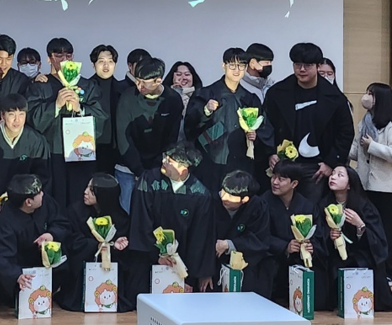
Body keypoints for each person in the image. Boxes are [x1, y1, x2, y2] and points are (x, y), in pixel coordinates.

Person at [123, 143, 215, 307]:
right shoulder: (148, 181)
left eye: (170, 161)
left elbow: (200, 238)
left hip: (181, 263)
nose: (163, 161)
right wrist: (156, 255)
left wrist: (190, 277)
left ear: (184, 169)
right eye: (165, 157)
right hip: (147, 257)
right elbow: (141, 222)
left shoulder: (200, 194)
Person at [263, 42, 354, 203]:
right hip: (285, 164)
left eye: (308, 65)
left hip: (316, 167)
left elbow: (345, 132)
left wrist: (330, 162)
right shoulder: (277, 93)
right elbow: (266, 125)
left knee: (310, 211)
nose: (302, 69)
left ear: (318, 66)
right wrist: (270, 152)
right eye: (297, 64)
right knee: (279, 208)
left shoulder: (335, 97)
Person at [28, 39, 105, 207]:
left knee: (80, 198)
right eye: (58, 56)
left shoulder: (87, 86)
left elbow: (101, 118)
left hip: (81, 153)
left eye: (68, 56)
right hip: (52, 152)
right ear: (49, 59)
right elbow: (31, 119)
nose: (64, 60)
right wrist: (55, 106)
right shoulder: (40, 86)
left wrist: (80, 109)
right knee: (53, 198)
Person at [185, 47, 270, 191]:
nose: (237, 70)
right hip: (208, 162)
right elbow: (189, 126)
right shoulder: (206, 94)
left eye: (241, 65)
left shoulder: (250, 99)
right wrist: (205, 111)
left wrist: (255, 136)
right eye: (232, 65)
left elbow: (264, 127)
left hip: (239, 162)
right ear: (223, 66)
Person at [350, 83, 392, 285]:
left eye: (371, 94)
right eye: (366, 92)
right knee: (370, 228)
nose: (366, 97)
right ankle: (372, 266)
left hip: (387, 189)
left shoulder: (391, 126)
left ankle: (389, 272)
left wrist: (372, 146)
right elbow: (355, 149)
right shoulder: (365, 121)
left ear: (380, 99)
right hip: (367, 185)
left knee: (387, 230)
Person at [321, 165, 392, 311]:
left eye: (340, 175)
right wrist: (329, 235)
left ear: (349, 185)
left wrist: (360, 225)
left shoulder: (364, 206)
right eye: (332, 174)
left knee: (363, 263)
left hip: (360, 253)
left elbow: (378, 241)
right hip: (334, 254)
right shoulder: (324, 204)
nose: (333, 177)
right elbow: (319, 232)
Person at [0, 174, 72, 305]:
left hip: (49, 264)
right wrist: (16, 275)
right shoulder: (4, 222)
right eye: (39, 193)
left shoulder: (46, 202)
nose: (42, 194)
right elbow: (0, 256)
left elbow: (62, 223)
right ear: (28, 202)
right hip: (22, 269)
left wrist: (52, 235)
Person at [114, 56, 184, 212]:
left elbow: (171, 139)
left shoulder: (172, 100)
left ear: (158, 81)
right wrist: (139, 170)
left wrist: (155, 169)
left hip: (158, 167)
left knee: (155, 212)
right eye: (137, 81)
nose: (138, 86)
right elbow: (123, 138)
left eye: (143, 82)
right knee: (127, 212)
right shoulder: (127, 98)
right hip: (128, 168)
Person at [0, 93, 52, 213]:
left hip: (27, 206)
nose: (17, 120)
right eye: (11, 114)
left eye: (21, 114)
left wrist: (28, 202)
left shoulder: (36, 141)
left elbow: (43, 177)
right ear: (2, 115)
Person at [57, 173, 129, 312]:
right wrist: (97, 246)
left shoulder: (120, 217)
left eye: (91, 191)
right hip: (82, 263)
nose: (85, 192)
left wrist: (115, 245)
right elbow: (72, 241)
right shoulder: (75, 211)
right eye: (87, 187)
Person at [264, 160, 330, 309]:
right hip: (275, 258)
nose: (275, 182)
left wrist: (312, 246)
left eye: (281, 179)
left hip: (299, 259)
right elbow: (260, 235)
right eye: (274, 177)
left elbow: (318, 235)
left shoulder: (307, 206)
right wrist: (285, 247)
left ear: (294, 184)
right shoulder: (263, 203)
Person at [212, 170, 272, 297]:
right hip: (213, 264)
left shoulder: (258, 206)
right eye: (223, 191)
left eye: (230, 196)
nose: (224, 198)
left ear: (244, 199)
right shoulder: (212, 202)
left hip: (246, 266)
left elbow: (260, 239)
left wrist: (230, 244)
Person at [87, 44, 128, 174]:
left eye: (110, 61)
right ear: (93, 65)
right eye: (101, 61)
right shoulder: (84, 88)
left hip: (115, 149)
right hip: (89, 148)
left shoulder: (124, 89)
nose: (106, 66)